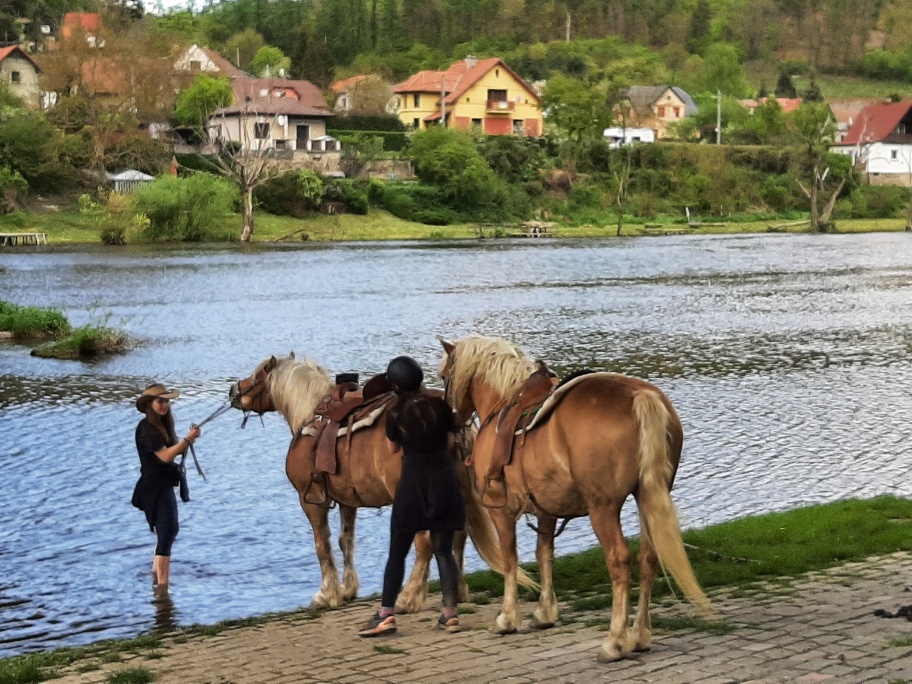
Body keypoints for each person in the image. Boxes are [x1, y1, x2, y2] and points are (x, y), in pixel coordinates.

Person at [358, 355, 466, 637]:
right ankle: (450, 614)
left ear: (395, 385)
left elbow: (393, 450)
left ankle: (385, 615)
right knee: (443, 550)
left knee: (398, 552)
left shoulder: (395, 412)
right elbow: (451, 441)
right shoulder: (440, 405)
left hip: (413, 485)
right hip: (444, 481)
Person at [131, 382, 200, 589]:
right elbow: (165, 456)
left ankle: (156, 578)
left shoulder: (163, 424)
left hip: (163, 483)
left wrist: (187, 439)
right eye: (160, 402)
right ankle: (162, 589)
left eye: (167, 402)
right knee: (168, 531)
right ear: (149, 404)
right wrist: (187, 440)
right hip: (153, 487)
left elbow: (173, 447)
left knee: (168, 531)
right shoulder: (147, 428)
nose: (164, 406)